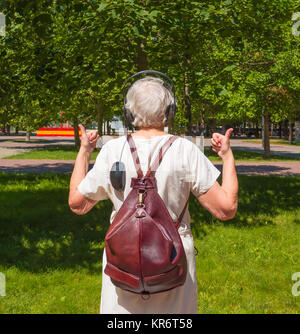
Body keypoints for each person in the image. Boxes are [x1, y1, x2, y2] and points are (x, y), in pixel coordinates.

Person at [68, 76, 238, 314]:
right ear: (170, 111)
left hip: (122, 265)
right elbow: (226, 209)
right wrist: (227, 156)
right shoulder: (185, 150)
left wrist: (84, 152)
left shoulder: (112, 151)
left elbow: (77, 204)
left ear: (129, 112)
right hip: (173, 263)